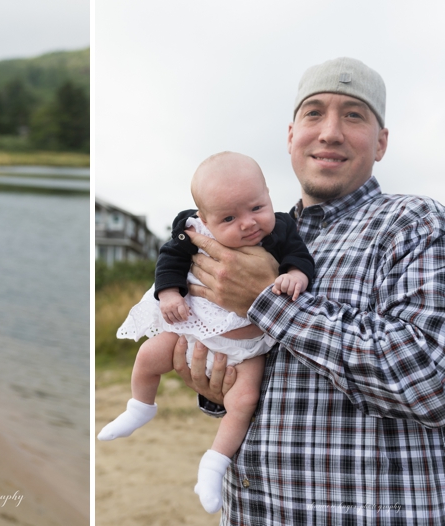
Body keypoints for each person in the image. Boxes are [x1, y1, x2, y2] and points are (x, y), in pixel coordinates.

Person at [173, 57, 445, 522]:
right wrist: (215, 386)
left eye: (354, 114)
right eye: (314, 112)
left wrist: (267, 302)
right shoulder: (249, 237)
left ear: (381, 143)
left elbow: (430, 383)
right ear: (290, 136)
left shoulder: (415, 223)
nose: (330, 132)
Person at [97, 152, 315, 513]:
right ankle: (140, 406)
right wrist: (168, 292)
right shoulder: (193, 231)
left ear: (269, 194)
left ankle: (214, 463)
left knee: (243, 402)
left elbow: (300, 257)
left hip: (248, 344)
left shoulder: (281, 229)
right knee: (148, 355)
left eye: (256, 207)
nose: (248, 224)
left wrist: (296, 274)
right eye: (229, 218)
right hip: (194, 325)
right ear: (205, 218)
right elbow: (170, 260)